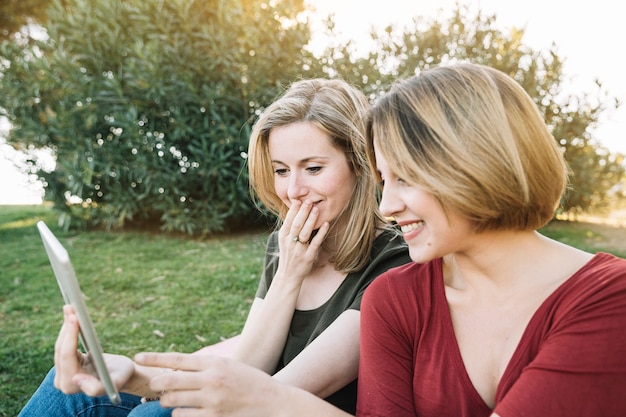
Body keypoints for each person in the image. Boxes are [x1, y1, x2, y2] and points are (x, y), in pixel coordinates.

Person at [132, 62, 626, 417]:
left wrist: (270, 401)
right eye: (384, 180)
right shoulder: (399, 297)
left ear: (477, 165)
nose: (387, 205)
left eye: (406, 179)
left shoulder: (608, 299)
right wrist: (136, 377)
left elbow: (270, 386)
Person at [18, 78, 411, 416]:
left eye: (313, 168)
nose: (293, 191)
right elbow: (250, 363)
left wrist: (147, 384)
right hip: (239, 400)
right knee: (64, 385)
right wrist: (290, 271)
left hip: (268, 408)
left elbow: (260, 394)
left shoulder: (392, 263)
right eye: (280, 170)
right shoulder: (287, 246)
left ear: (359, 164)